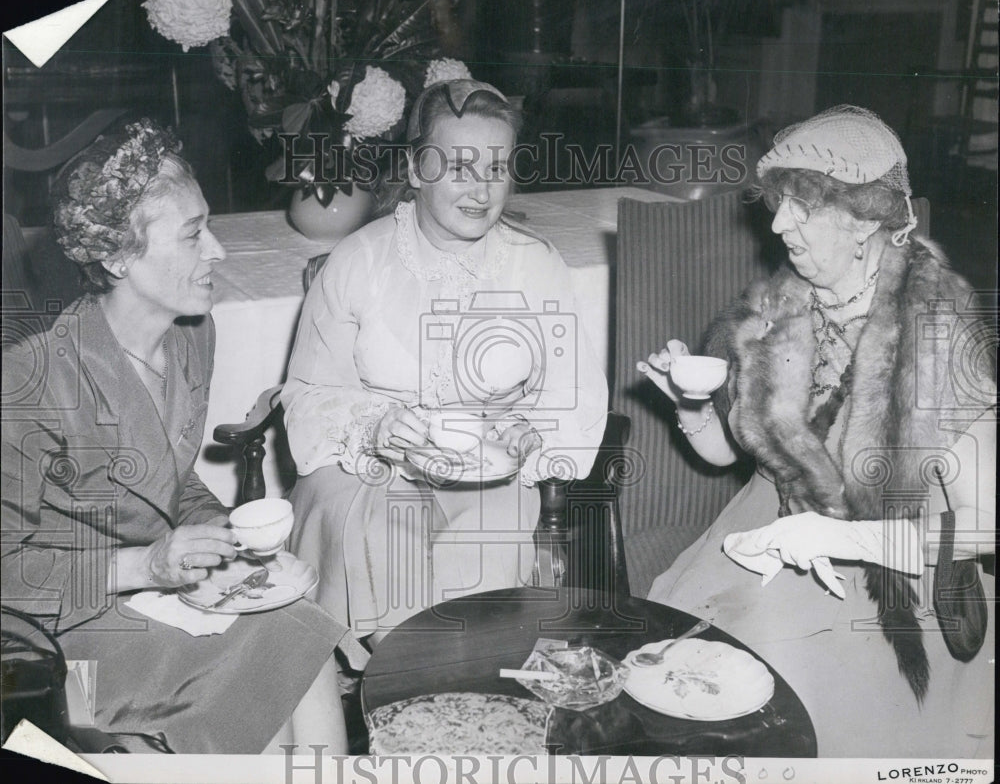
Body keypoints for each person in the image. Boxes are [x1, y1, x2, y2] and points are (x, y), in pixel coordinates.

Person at [638, 106, 995, 757]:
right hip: (768, 535)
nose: (776, 225)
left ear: (864, 219)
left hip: (889, 573)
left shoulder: (938, 330)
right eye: (777, 204)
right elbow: (730, 456)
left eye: (800, 207)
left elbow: (988, 525)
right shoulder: (777, 305)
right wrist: (689, 409)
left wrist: (834, 534)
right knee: (673, 677)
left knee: (779, 713)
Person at [1, 119, 354, 754]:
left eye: (209, 224)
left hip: (155, 593)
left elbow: (169, 476)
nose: (217, 250)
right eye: (193, 234)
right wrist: (145, 566)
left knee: (303, 627)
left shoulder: (192, 333)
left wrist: (233, 548)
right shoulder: (33, 381)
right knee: (255, 680)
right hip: (59, 635)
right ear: (116, 257)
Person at [282, 79, 608, 647]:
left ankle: (456, 688)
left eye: (497, 168)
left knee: (487, 543)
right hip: (365, 465)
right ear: (414, 170)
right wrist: (374, 426)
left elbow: (574, 388)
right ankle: (393, 685)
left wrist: (530, 430)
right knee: (388, 534)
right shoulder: (358, 260)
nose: (482, 190)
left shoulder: (537, 265)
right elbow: (307, 392)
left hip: (488, 468)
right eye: (460, 167)